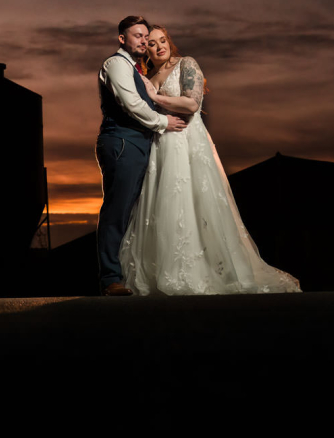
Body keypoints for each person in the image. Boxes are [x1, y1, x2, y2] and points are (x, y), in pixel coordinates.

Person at [119, 24, 302, 295]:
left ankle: (209, 270)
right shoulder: (149, 76)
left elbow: (192, 104)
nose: (159, 47)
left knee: (196, 202)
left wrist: (156, 97)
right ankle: (166, 270)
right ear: (146, 50)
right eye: (153, 43)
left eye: (163, 40)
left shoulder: (186, 64)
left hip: (188, 141)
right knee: (165, 205)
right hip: (161, 146)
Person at [95, 16, 189, 296]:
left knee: (136, 213)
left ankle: (128, 274)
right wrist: (164, 122)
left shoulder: (137, 70)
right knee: (118, 209)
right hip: (123, 141)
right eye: (137, 35)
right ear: (122, 38)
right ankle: (110, 278)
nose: (144, 41)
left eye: (146, 37)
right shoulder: (116, 64)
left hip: (138, 142)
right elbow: (132, 104)